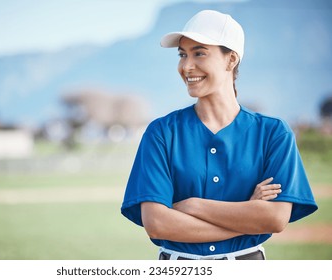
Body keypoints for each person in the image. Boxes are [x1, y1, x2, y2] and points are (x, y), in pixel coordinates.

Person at [121, 10, 318, 260]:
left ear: (231, 60)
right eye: (182, 55)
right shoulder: (161, 133)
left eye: (199, 53)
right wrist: (247, 214)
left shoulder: (273, 133)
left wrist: (193, 205)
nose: (186, 66)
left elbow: (275, 219)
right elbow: (158, 224)